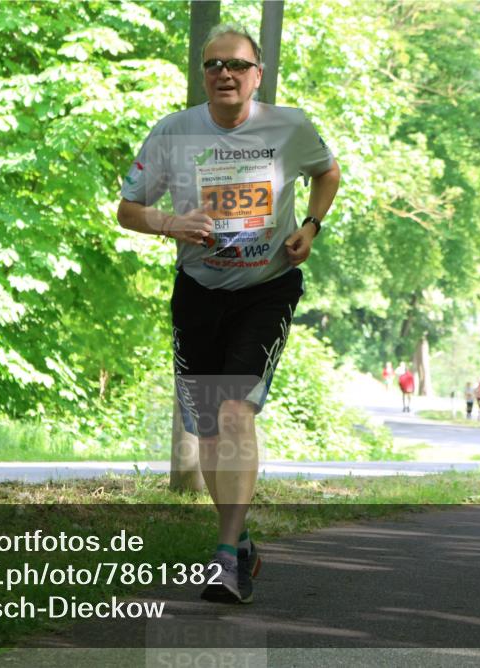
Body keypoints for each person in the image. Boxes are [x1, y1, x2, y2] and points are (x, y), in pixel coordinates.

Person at [117, 23, 341, 603]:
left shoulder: (289, 127)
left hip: (266, 287)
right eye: (213, 65)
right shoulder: (173, 133)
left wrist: (311, 227)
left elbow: (328, 171)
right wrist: (170, 222)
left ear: (256, 73)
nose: (225, 74)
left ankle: (225, 555)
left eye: (237, 65)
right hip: (198, 288)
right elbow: (128, 209)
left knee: (237, 410)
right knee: (211, 429)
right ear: (203, 74)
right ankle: (240, 545)